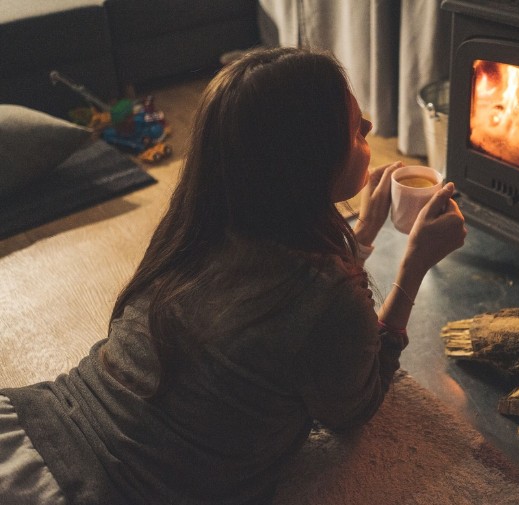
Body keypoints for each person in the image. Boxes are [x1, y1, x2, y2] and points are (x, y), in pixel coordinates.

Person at [0, 47, 466, 504]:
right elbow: (355, 408)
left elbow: (294, 312)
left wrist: (361, 234)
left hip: (36, 424)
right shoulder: (328, 300)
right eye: (351, 127)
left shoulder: (197, 225)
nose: (368, 127)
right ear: (304, 161)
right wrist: (413, 266)